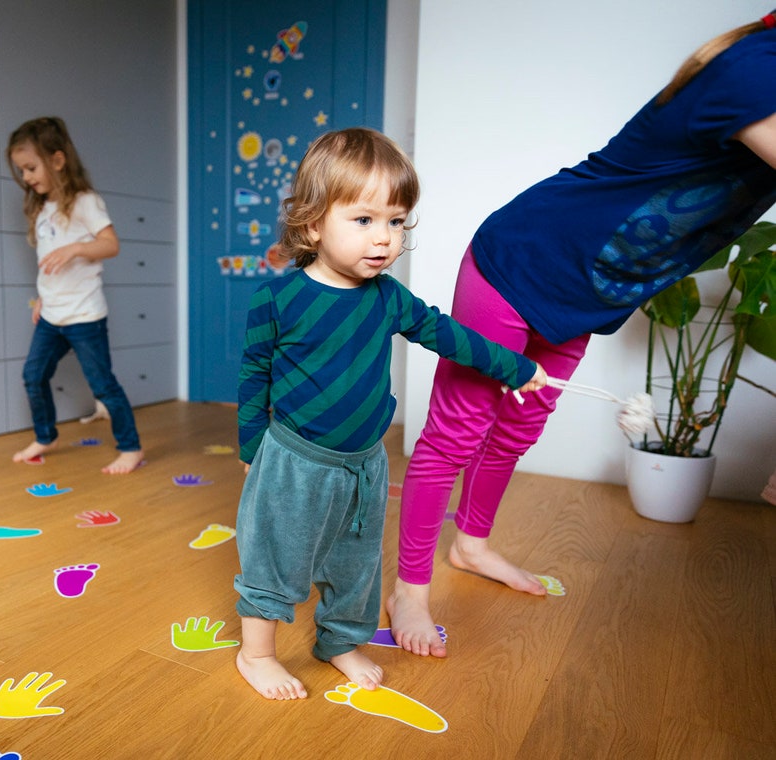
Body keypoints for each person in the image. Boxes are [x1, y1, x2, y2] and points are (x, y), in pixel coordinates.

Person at [388, 11, 776, 659]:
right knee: (459, 428)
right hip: (524, 256)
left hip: (588, 286)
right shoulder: (755, 68)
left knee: (520, 424)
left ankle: (473, 545)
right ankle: (409, 590)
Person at [233, 127, 548, 700]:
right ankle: (256, 655)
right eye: (364, 221)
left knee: (356, 564)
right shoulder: (276, 301)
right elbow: (254, 377)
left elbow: (447, 334)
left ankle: (340, 641)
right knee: (277, 557)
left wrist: (515, 367)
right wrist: (252, 450)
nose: (384, 239)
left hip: (364, 463)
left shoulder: (389, 298)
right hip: (295, 461)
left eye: (396, 222)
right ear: (312, 224)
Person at [6, 117, 144, 475]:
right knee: (33, 375)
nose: (27, 177)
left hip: (84, 317)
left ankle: (131, 447)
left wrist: (76, 249)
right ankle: (46, 434)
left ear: (57, 160)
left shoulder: (85, 202)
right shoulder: (42, 209)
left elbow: (110, 244)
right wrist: (41, 299)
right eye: (22, 170)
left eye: (31, 167)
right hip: (52, 315)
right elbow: (47, 262)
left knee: (102, 384)